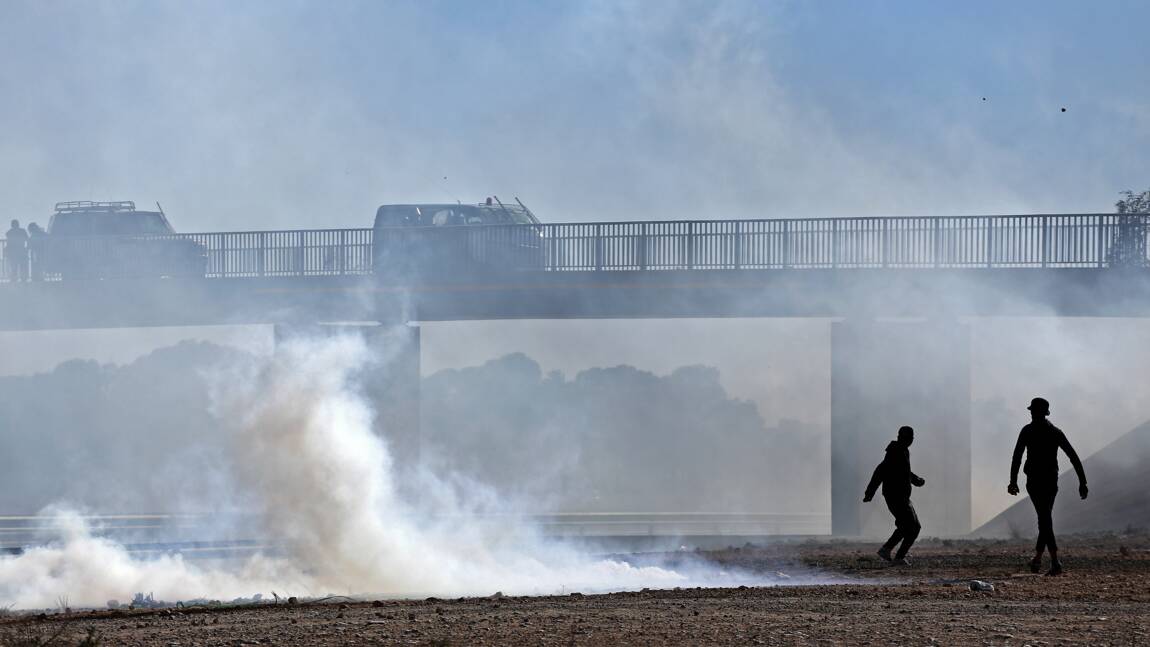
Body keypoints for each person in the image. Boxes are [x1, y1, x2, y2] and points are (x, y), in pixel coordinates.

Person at [1008, 397, 1087, 576]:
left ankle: (1053, 561)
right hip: (1050, 481)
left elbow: (1017, 457)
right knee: (1045, 518)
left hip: (1036, 482)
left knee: (1044, 518)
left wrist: (1013, 481)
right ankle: (1038, 559)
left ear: (1038, 412)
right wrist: (1082, 481)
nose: (1031, 414)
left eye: (1033, 411)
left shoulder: (1028, 431)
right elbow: (1073, 456)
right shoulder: (1054, 432)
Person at [864, 425, 925, 566]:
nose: (909, 440)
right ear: (901, 437)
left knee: (911, 527)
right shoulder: (894, 452)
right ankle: (892, 554)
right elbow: (880, 471)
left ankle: (891, 553)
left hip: (902, 496)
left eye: (910, 438)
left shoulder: (903, 451)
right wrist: (870, 492)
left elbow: (904, 472)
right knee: (911, 526)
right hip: (895, 496)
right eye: (907, 438)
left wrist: (916, 480)